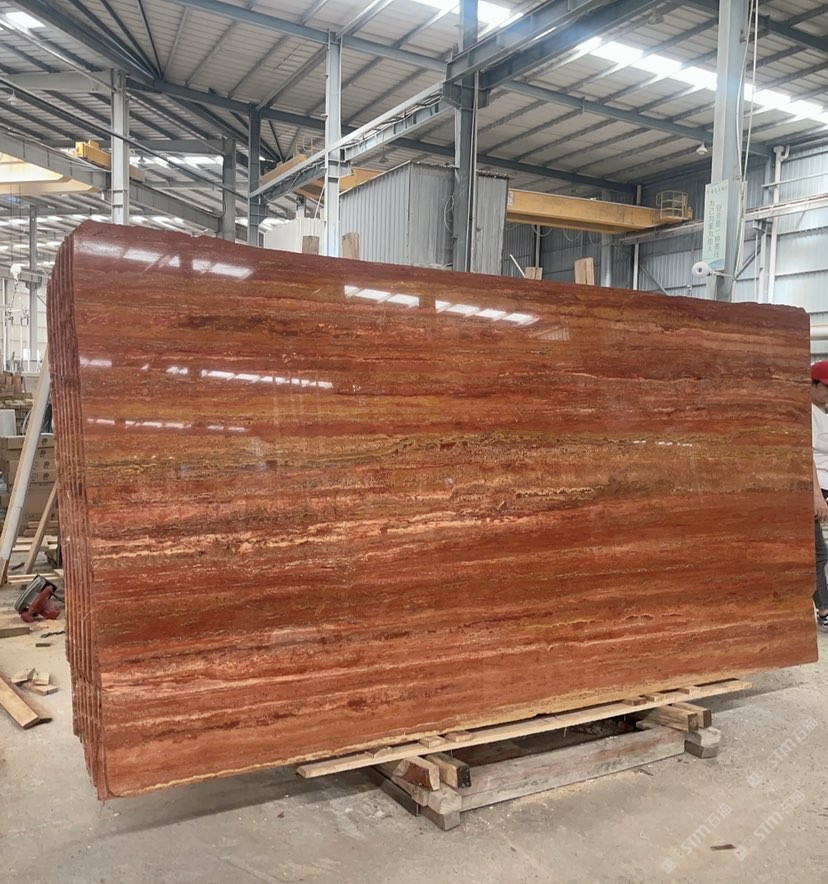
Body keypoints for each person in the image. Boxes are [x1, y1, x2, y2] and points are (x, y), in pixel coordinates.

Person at [810, 361, 828, 631]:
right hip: (816, 489)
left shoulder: (823, 411)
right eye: (825, 387)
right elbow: (806, 456)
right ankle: (825, 611)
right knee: (817, 551)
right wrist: (816, 496)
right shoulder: (806, 414)